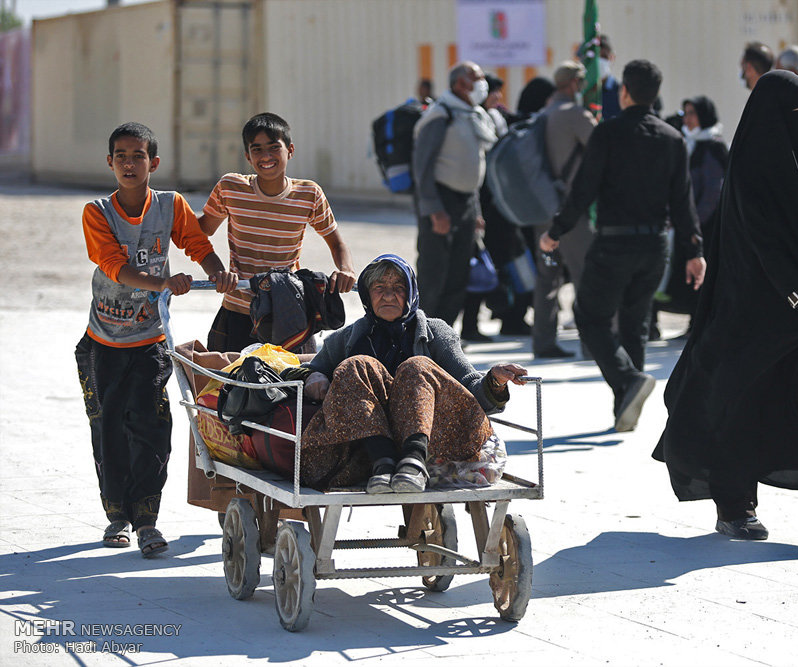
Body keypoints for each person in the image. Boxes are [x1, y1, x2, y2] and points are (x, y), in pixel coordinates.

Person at [652, 71, 798, 551]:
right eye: (795, 109)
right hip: (755, 318)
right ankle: (736, 507)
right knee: (742, 405)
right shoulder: (754, 164)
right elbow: (764, 242)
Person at [75, 122, 237, 557]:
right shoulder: (97, 212)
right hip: (104, 343)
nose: (130, 163)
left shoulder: (170, 205)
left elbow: (197, 243)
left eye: (138, 155)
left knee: (152, 428)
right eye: (121, 156)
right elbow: (114, 267)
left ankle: (147, 520)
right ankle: (117, 518)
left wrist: (215, 269)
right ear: (110, 162)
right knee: (109, 429)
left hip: (150, 341)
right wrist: (162, 281)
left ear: (154, 162)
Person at [539, 60, 705, 432]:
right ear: (656, 94)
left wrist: (556, 230)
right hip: (655, 246)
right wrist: (695, 251)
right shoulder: (672, 138)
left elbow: (584, 189)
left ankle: (628, 382)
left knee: (590, 317)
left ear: (624, 91)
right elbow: (683, 201)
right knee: (635, 322)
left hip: (615, 242)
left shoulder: (608, 134)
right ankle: (625, 406)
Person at [287, 255, 528, 493]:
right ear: (367, 296)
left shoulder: (435, 332)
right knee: (354, 365)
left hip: (438, 443)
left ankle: (413, 463)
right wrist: (314, 377)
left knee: (416, 366)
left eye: (398, 288)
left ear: (411, 293)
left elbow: (469, 384)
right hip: (370, 453)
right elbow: (311, 368)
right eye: (379, 288)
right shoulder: (349, 338)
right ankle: (384, 463)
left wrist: (494, 380)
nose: (389, 295)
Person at [198, 112, 356, 353]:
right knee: (227, 387)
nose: (266, 156)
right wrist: (167, 214)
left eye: (274, 147)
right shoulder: (230, 188)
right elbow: (200, 232)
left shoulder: (309, 194)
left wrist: (346, 270)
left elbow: (337, 244)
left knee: (297, 387)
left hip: (290, 313)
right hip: (238, 310)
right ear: (247, 156)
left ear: (290, 150)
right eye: (257, 149)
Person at [412, 61, 497, 327]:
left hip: (467, 203)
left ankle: (444, 334)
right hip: (441, 201)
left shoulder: (473, 115)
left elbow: (474, 167)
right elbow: (422, 168)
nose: (483, 83)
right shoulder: (441, 115)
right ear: (460, 84)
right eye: (477, 77)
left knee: (459, 274)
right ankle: (419, 334)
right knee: (434, 273)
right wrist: (434, 210)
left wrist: (477, 211)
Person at [532, 60, 597, 359]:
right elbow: (600, 148)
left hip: (543, 208)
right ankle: (591, 344)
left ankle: (543, 342)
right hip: (571, 212)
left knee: (547, 278)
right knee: (585, 276)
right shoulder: (574, 114)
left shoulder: (542, 115)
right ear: (574, 84)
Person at [461, 71, 532, 342]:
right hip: (487, 208)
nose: (498, 97)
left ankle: (508, 316)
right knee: (481, 267)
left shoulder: (497, 117)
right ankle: (471, 325)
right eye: (493, 91)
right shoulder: (478, 120)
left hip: (501, 207)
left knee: (496, 266)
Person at [652, 95, 728, 340]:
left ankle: (699, 325)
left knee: (702, 277)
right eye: (686, 113)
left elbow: (712, 193)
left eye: (693, 113)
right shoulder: (687, 143)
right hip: (687, 225)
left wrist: (693, 221)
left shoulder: (712, 147)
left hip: (705, 226)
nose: (688, 119)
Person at [597, 34, 622, 120]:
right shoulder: (578, 91)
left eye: (604, 57)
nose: (599, 61)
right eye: (595, 57)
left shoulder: (620, 92)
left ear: (612, 57)